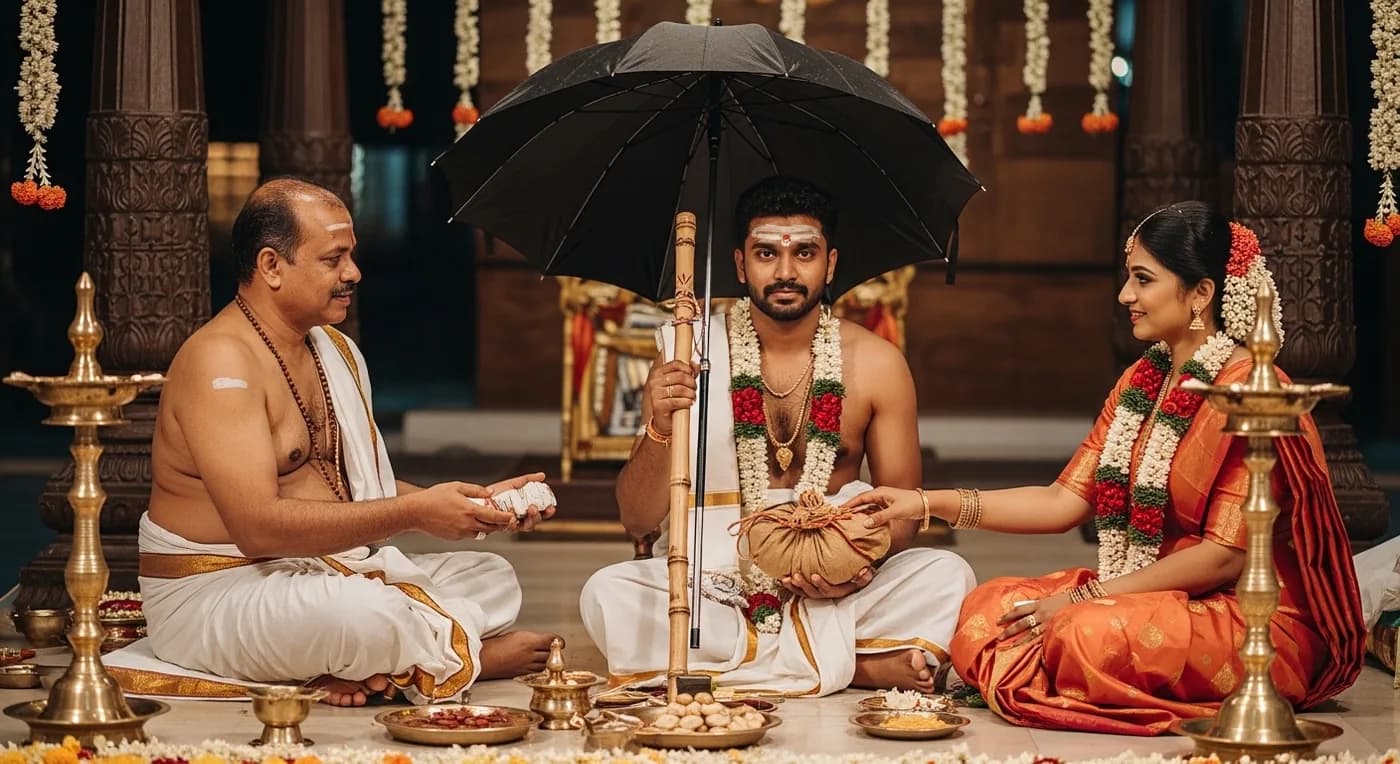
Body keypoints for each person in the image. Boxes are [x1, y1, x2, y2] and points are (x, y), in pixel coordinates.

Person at [846, 202, 1363, 734]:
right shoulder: (1143, 380)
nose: (1125, 296)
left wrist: (1085, 597)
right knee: (986, 609)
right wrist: (926, 503)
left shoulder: (1250, 393)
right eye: (1128, 278)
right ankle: (1063, 672)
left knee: (1079, 634)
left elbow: (1221, 558)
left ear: (1201, 293)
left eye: (1143, 279)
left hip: (1244, 615)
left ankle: (1059, 670)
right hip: (1146, 595)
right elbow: (1062, 501)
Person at [108, 178, 558, 707]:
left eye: (351, 255)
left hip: (317, 570)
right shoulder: (221, 362)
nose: (353, 273)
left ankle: (388, 662)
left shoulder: (335, 350)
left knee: (493, 577)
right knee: (362, 617)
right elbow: (257, 528)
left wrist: (471, 504)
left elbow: (358, 484)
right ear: (271, 266)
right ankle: (470, 659)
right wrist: (416, 514)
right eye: (333, 259)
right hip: (219, 588)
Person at [578, 176, 974, 696]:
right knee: (609, 592)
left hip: (832, 575)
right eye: (766, 253)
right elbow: (637, 519)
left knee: (946, 574)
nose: (785, 272)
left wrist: (851, 566)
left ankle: (742, 667)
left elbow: (903, 512)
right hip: (711, 581)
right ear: (741, 264)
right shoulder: (688, 354)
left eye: (804, 252)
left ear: (830, 263)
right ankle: (853, 666)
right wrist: (661, 426)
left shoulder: (877, 363)